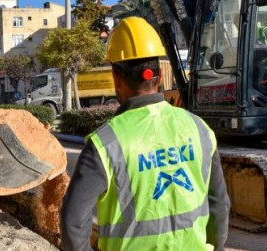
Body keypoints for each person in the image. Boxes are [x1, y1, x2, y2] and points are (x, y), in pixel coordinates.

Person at [60, 17, 230, 251]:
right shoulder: (200, 129)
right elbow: (219, 205)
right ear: (159, 77)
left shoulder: (104, 144)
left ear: (116, 78)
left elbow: (73, 224)